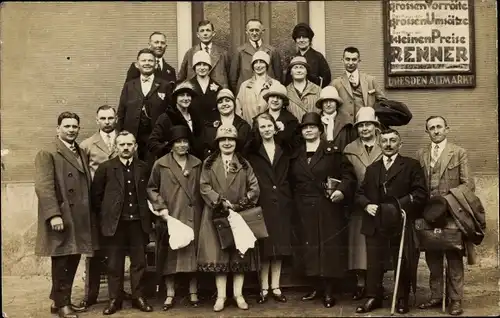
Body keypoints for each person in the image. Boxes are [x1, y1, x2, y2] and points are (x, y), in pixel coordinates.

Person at [354, 128, 427, 314]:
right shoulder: (372, 169)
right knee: (374, 261)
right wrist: (366, 205)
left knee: (401, 260)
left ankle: (401, 298)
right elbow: (360, 193)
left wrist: (397, 207)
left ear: (400, 144)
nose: (388, 144)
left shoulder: (411, 166)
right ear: (380, 144)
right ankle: (373, 297)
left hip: (399, 222)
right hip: (375, 222)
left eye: (393, 140)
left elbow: (420, 194)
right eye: (384, 141)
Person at [289, 112, 357, 308]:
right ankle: (315, 287)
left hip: (326, 206)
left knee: (327, 249)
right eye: (305, 127)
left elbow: (348, 176)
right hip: (303, 207)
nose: (308, 130)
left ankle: (329, 291)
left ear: (320, 129)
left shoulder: (333, 152)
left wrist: (341, 191)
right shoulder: (296, 154)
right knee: (309, 247)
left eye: (312, 126)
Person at [34, 111, 98, 318]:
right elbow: (44, 187)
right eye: (67, 126)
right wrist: (53, 215)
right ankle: (63, 305)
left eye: (74, 126)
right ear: (58, 128)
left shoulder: (79, 150)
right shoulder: (48, 152)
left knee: (72, 258)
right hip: (62, 215)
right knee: (62, 260)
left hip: (78, 216)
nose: (71, 130)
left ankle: (59, 301)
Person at [197, 124, 260, 312]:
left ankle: (238, 294)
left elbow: (254, 187)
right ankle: (221, 296)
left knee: (239, 254)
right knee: (220, 255)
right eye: (223, 140)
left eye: (230, 139)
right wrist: (220, 201)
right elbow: (204, 186)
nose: (227, 143)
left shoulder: (244, 163)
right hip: (216, 215)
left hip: (238, 215)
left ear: (235, 142)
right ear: (218, 142)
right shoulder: (208, 163)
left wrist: (241, 203)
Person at [416, 116, 475, 316]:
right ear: (427, 132)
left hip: (452, 213)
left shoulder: (459, 153)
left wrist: (448, 203)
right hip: (429, 214)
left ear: (447, 129)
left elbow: (468, 185)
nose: (436, 131)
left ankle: (456, 300)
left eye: (439, 127)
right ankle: (436, 296)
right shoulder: (421, 154)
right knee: (432, 255)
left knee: (454, 256)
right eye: (431, 128)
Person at [91, 131, 153, 315]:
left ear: (135, 146)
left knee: (139, 262)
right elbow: (96, 197)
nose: (126, 148)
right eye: (122, 145)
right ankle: (114, 299)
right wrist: (107, 217)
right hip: (115, 225)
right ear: (116, 147)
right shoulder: (106, 168)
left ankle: (138, 297)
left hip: (138, 223)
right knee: (114, 264)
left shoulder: (143, 167)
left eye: (129, 144)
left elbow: (150, 193)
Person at [78, 105, 131, 309]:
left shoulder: (125, 140)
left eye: (110, 118)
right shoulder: (87, 145)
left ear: (116, 119)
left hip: (123, 206)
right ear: (97, 120)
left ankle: (117, 291)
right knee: (96, 251)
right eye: (103, 118)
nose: (107, 121)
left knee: (118, 250)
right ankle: (90, 294)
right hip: (98, 206)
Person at [147, 125, 204, 311]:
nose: (181, 145)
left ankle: (193, 291)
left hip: (192, 215)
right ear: (171, 145)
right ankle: (170, 293)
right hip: (170, 216)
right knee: (169, 256)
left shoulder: (197, 163)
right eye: (177, 142)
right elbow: (151, 188)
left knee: (192, 255)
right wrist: (161, 208)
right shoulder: (161, 164)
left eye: (184, 142)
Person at [246, 112, 294, 304]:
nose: (266, 130)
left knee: (280, 246)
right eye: (262, 127)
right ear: (258, 130)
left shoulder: (284, 149)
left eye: (269, 126)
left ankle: (276, 286)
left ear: (275, 127)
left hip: (282, 201)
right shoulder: (253, 152)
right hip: (263, 202)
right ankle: (264, 288)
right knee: (265, 247)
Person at [343, 107, 383, 301]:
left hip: (380, 204)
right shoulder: (350, 149)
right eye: (361, 126)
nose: (365, 129)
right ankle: (360, 284)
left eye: (368, 124)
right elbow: (346, 177)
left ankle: (378, 284)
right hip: (357, 204)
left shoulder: (386, 145)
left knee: (379, 246)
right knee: (358, 248)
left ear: (376, 127)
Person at [117, 48, 171, 165]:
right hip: (133, 137)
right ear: (137, 64)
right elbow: (121, 112)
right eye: (143, 60)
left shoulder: (165, 86)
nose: (147, 63)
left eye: (150, 61)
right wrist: (120, 135)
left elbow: (170, 113)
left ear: (156, 64)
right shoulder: (129, 86)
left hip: (155, 138)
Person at [148, 81, 205, 160]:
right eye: (182, 95)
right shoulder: (166, 117)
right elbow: (152, 142)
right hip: (174, 162)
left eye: (188, 95)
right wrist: (171, 150)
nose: (185, 98)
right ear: (175, 98)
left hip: (194, 162)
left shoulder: (196, 117)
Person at [332, 47, 385, 123]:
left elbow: (382, 102)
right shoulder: (335, 83)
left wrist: (373, 115)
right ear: (342, 60)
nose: (350, 63)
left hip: (366, 124)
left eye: (354, 59)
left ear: (359, 61)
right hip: (346, 126)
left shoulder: (371, 80)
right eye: (347, 59)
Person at [230, 18, 282, 93]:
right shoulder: (240, 52)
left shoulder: (272, 51)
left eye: (257, 30)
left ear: (262, 31)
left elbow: (278, 77)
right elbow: (233, 79)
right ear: (246, 32)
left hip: (268, 93)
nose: (254, 33)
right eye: (251, 30)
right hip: (247, 94)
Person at [178, 20, 231, 89]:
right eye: (202, 31)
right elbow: (181, 76)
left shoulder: (223, 53)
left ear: (213, 33)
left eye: (208, 30)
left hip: (217, 93)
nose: (205, 33)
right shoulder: (190, 53)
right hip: (196, 93)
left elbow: (230, 77)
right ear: (198, 34)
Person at [202, 89, 251, 158]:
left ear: (234, 103)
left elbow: (246, 150)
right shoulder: (209, 125)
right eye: (220, 102)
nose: (224, 104)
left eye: (227, 100)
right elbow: (206, 149)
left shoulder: (243, 125)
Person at [235, 51, 280, 124]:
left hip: (268, 130)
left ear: (267, 64)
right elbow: (238, 110)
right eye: (255, 62)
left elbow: (279, 109)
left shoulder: (275, 84)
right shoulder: (245, 85)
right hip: (248, 129)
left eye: (262, 62)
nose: (258, 65)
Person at [284, 23, 331, 88]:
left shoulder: (318, 57)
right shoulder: (292, 58)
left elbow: (326, 79)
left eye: (304, 37)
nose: (301, 40)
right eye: (298, 37)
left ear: (309, 39)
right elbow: (288, 81)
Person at [316, 86, 357, 152]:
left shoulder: (347, 122)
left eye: (331, 101)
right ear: (321, 104)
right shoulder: (315, 121)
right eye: (325, 101)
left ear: (336, 103)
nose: (328, 104)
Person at [262, 82, 299, 152]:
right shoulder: (259, 119)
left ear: (283, 102)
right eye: (272, 96)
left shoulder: (291, 121)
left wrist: (282, 133)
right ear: (268, 99)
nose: (275, 100)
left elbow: (294, 147)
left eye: (279, 98)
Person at [188, 50, 223, 120]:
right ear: (194, 67)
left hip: (212, 126)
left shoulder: (218, 87)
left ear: (209, 67)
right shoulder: (187, 86)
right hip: (194, 125)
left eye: (205, 64)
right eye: (198, 64)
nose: (202, 68)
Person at [285, 56, 321, 120]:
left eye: (301, 67)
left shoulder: (318, 90)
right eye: (295, 68)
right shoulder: (285, 91)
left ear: (306, 71)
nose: (299, 71)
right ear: (290, 72)